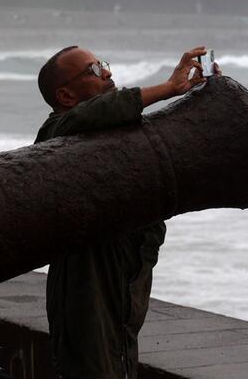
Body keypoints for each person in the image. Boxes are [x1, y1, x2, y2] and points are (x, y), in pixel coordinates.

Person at [34, 45, 217, 379]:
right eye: (93, 70)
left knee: (120, 362)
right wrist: (167, 88)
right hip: (85, 281)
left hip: (125, 277)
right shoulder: (56, 131)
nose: (107, 73)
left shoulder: (105, 129)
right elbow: (101, 111)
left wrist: (199, 97)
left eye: (104, 64)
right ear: (65, 95)